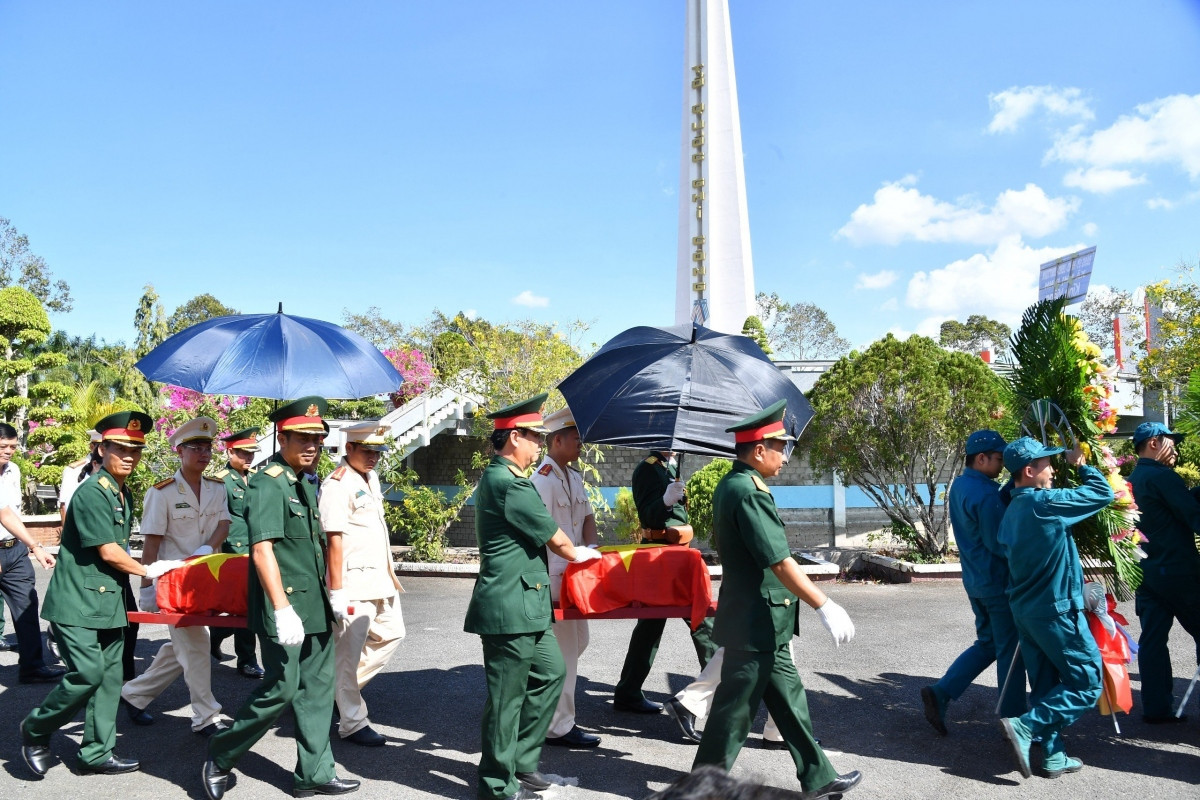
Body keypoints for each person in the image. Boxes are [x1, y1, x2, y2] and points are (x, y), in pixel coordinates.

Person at [692, 400, 861, 800]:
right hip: (755, 619)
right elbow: (780, 562)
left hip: (764, 618)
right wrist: (825, 604)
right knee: (733, 713)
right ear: (758, 450)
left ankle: (819, 777)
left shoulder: (735, 484)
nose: (785, 457)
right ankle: (698, 789)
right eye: (780, 447)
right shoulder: (747, 492)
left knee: (789, 700)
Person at [204, 397, 360, 799]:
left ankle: (315, 773)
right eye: (302, 439)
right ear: (283, 437)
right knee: (281, 688)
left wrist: (335, 593)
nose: (311, 447)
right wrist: (282, 608)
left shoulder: (304, 481)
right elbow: (262, 550)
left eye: (318, 440)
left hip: (314, 604)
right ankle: (221, 753)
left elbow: (314, 547)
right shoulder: (268, 481)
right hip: (284, 606)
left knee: (317, 690)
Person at [20, 411, 187, 777]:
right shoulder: (94, 492)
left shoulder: (120, 490)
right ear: (101, 448)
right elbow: (109, 551)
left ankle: (95, 752)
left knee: (111, 679)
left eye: (136, 449)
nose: (130, 455)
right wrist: (148, 570)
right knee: (87, 675)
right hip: (77, 603)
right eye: (121, 448)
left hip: (108, 601)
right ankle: (35, 730)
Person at [464, 393, 603, 800]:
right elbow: (557, 538)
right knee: (506, 700)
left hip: (527, 603)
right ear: (513, 438)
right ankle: (495, 783)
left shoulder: (508, 479)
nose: (540, 444)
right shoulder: (509, 484)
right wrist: (583, 553)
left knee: (551, 673)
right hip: (509, 605)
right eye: (534, 437)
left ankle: (521, 762)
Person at [996, 437, 1113, 780]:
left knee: (1046, 686)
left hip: (1027, 614)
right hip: (1057, 613)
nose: (1053, 469)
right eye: (1048, 464)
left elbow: (1009, 489)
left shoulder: (1011, 511)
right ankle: (1024, 726)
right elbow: (1102, 493)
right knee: (1087, 683)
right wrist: (1081, 464)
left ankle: (1052, 757)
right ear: (1029, 471)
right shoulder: (1045, 503)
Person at [121, 416, 231, 734]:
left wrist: (208, 547)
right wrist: (146, 588)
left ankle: (134, 694)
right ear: (179, 452)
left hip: (205, 582)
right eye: (196, 447)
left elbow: (224, 523)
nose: (204, 453)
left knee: (180, 647)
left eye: (208, 447)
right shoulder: (162, 493)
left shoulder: (216, 488)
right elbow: (152, 542)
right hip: (173, 583)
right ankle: (206, 716)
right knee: (197, 644)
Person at [921, 429, 1025, 734]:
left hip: (976, 581)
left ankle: (942, 692)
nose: (1003, 466)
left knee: (989, 644)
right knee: (1011, 651)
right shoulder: (986, 494)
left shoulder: (962, 485)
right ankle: (1016, 720)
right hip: (997, 582)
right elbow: (999, 543)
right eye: (999, 459)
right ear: (982, 459)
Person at [320, 421, 406, 747]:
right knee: (347, 655)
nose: (374, 457)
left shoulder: (369, 478)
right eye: (367, 451)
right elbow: (333, 540)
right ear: (349, 449)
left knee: (393, 634)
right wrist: (337, 591)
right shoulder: (336, 485)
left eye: (378, 452)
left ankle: (333, 693)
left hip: (380, 579)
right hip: (353, 582)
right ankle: (352, 721)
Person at [614, 450, 716, 714]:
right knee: (700, 617)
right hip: (660, 555)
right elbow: (649, 517)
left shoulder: (668, 467)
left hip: (676, 554)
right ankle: (722, 688)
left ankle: (628, 691)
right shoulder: (647, 469)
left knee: (651, 624)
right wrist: (665, 501)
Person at [529, 407, 601, 749]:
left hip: (577, 573)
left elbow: (587, 516)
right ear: (556, 440)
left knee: (578, 643)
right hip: (554, 576)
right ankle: (559, 725)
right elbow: (542, 530)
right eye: (575, 438)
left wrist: (591, 545)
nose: (580, 444)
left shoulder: (573, 476)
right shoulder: (541, 479)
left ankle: (540, 700)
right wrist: (574, 553)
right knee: (566, 653)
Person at [1126, 421, 1200, 724]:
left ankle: (1156, 708)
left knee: (1153, 641)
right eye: (1172, 442)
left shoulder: (1133, 479)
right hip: (1180, 574)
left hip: (1148, 572)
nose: (1177, 448)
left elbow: (1167, 510)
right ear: (1155, 443)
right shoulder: (1163, 477)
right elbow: (1194, 517)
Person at [0, 422, 65, 683]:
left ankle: (32, 667)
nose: (9, 451)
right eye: (3, 446)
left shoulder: (13, 471)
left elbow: (11, 513)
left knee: (27, 606)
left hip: (13, 550)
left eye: (13, 446)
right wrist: (36, 546)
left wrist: (33, 547)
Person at [209, 427, 265, 680]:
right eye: (243, 453)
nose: (249, 457)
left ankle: (217, 633)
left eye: (252, 452)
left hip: (256, 546)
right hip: (233, 549)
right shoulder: (221, 480)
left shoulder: (256, 477)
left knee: (247, 606)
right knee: (244, 607)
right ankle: (247, 660)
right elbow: (217, 519)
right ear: (230, 451)